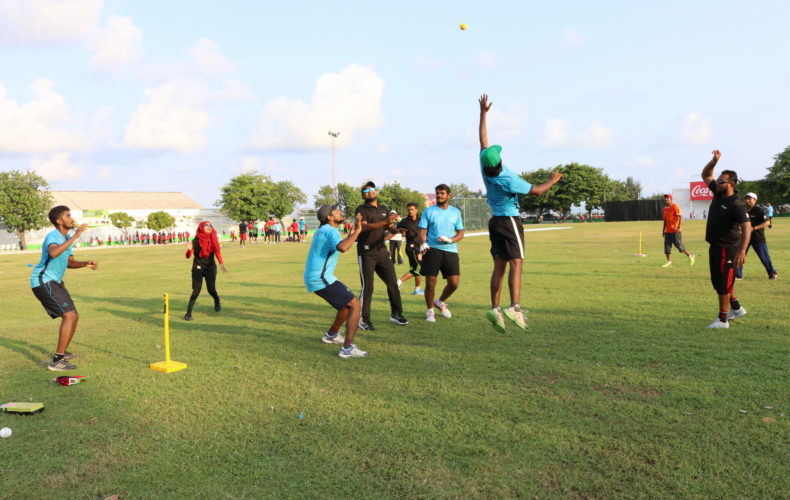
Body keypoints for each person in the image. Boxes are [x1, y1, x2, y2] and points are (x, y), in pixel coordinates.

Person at [478, 93, 563, 332]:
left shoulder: (485, 168)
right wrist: (552, 180)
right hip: (510, 221)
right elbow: (536, 191)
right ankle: (514, 308)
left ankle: (495, 308)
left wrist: (483, 114)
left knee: (499, 266)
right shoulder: (507, 178)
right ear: (500, 160)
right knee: (517, 263)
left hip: (495, 221)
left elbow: (483, 141)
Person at [31, 205, 98, 371]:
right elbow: (53, 253)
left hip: (54, 282)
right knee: (69, 316)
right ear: (59, 221)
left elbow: (69, 262)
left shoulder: (66, 237)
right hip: (43, 281)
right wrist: (76, 235)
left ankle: (62, 353)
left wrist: (85, 263)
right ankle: (57, 361)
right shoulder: (53, 236)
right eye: (68, 216)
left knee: (74, 316)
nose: (71, 219)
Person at [304, 205, 367, 358]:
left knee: (346, 306)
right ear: (330, 218)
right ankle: (347, 348)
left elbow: (342, 243)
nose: (340, 213)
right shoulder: (329, 230)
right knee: (355, 305)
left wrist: (353, 232)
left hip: (318, 277)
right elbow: (343, 247)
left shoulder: (324, 230)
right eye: (336, 212)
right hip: (321, 277)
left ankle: (331, 335)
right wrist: (358, 231)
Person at [701, 150, 751, 329]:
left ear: (731, 184)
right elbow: (706, 174)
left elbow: (747, 227)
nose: (717, 182)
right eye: (719, 180)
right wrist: (714, 161)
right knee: (719, 281)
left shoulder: (736, 204)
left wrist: (742, 250)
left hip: (727, 248)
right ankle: (736, 308)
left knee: (723, 283)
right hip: (715, 246)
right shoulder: (718, 192)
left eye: (721, 181)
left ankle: (722, 320)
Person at [355, 181, 408, 330]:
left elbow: (390, 227)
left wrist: (398, 231)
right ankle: (363, 320)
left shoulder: (384, 209)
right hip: (366, 253)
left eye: (371, 190)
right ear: (363, 195)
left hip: (382, 251)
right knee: (368, 287)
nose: (369, 193)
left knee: (392, 283)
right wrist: (386, 221)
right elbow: (364, 227)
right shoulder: (361, 209)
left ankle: (396, 313)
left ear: (376, 191)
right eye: (365, 191)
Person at [418, 185, 464, 322]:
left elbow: (461, 233)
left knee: (454, 283)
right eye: (437, 193)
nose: (439, 196)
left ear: (448, 195)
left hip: (451, 251)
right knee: (430, 284)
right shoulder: (428, 211)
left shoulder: (456, 212)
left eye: (442, 193)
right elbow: (421, 231)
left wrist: (451, 239)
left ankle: (440, 301)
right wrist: (422, 242)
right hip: (432, 250)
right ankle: (429, 311)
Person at [184, 221, 227, 320]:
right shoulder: (195, 240)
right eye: (206, 226)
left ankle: (217, 300)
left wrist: (221, 264)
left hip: (210, 267)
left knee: (211, 290)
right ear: (201, 227)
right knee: (196, 290)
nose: (209, 227)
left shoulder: (213, 239)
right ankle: (188, 314)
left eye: (210, 225)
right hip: (198, 267)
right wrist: (189, 249)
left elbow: (217, 253)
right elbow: (187, 256)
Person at [735, 193, 778, 280]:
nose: (747, 200)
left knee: (764, 256)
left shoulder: (759, 210)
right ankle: (738, 275)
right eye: (746, 199)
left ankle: (772, 273)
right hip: (744, 237)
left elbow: (767, 222)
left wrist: (753, 228)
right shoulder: (743, 210)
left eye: (749, 199)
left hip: (758, 237)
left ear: (755, 200)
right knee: (740, 255)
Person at [396, 202, 425, 295]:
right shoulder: (404, 222)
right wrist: (401, 232)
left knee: (417, 268)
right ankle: (398, 282)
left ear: (416, 210)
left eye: (412, 209)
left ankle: (417, 289)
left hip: (420, 247)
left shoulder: (421, 220)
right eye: (408, 210)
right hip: (411, 248)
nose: (410, 211)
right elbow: (397, 230)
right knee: (417, 269)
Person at [661, 194, 695, 267]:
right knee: (667, 247)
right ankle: (669, 262)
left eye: (668, 198)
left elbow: (680, 217)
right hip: (668, 231)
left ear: (671, 199)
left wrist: (679, 227)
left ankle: (690, 256)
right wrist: (663, 231)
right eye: (665, 198)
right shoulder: (664, 209)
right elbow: (665, 221)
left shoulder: (675, 206)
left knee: (679, 246)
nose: (666, 199)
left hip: (675, 231)